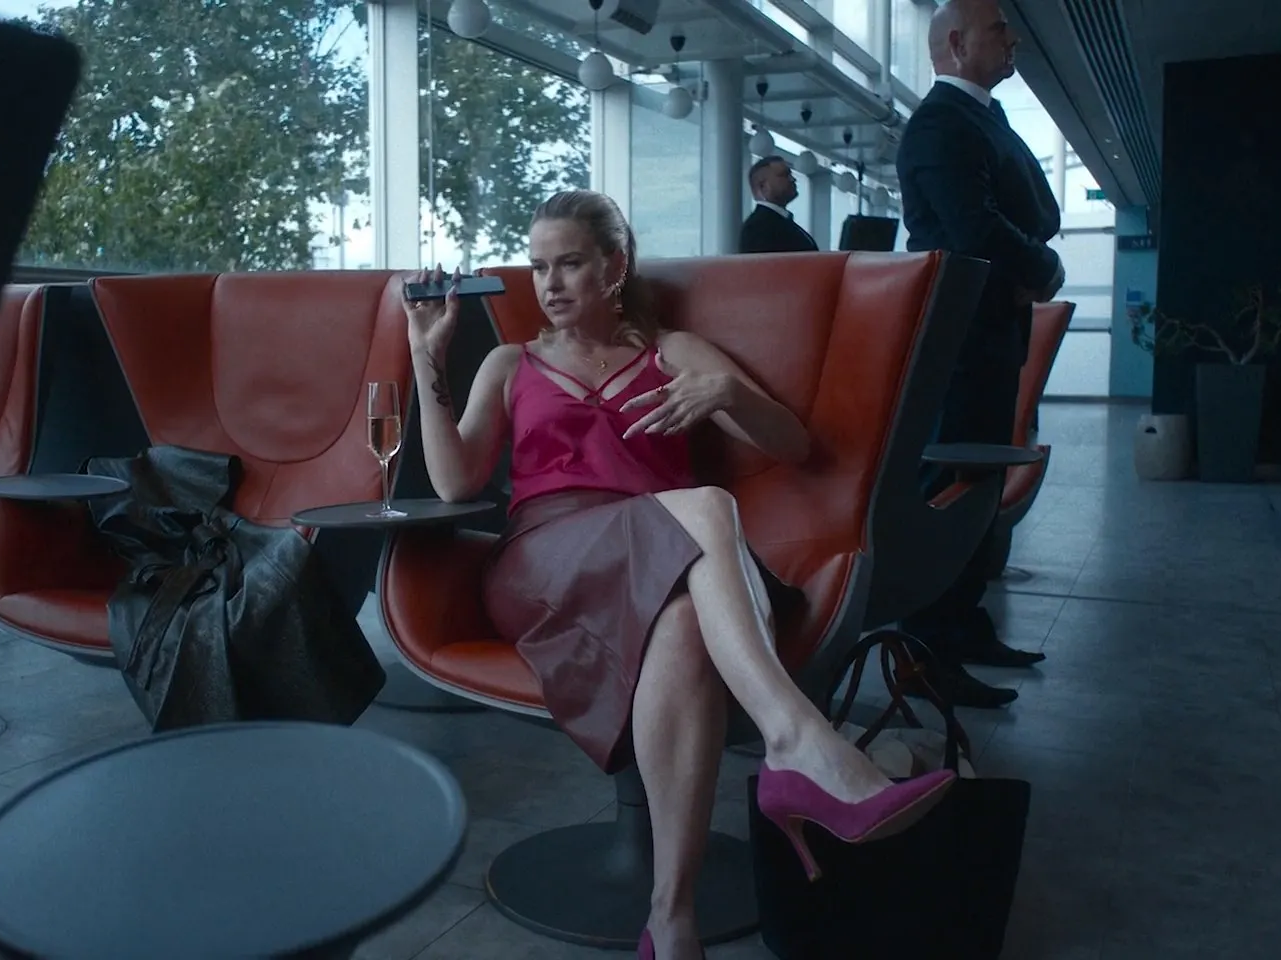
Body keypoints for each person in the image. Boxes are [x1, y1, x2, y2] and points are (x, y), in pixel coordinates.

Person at [401, 190, 954, 960]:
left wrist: (728, 393)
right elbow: (456, 481)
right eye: (538, 267)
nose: (549, 284)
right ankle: (796, 741)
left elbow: (794, 446)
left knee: (689, 621)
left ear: (615, 266)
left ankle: (671, 919)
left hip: (663, 562)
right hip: (544, 562)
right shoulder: (509, 363)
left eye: (569, 263)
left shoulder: (675, 352)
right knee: (706, 505)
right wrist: (425, 354)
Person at [894, 0, 1062, 709]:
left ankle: (962, 628)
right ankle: (925, 650)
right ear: (958, 44)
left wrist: (1031, 253)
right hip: (957, 343)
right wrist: (1045, 266)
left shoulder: (982, 119)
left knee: (979, 488)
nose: (1013, 37)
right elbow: (974, 230)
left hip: (986, 335)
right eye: (1000, 28)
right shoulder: (942, 124)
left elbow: (1041, 212)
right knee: (951, 489)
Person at [739, 156, 819, 253]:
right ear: (763, 187)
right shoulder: (757, 228)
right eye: (784, 175)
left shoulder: (776, 222)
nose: (793, 179)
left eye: (790, 174)